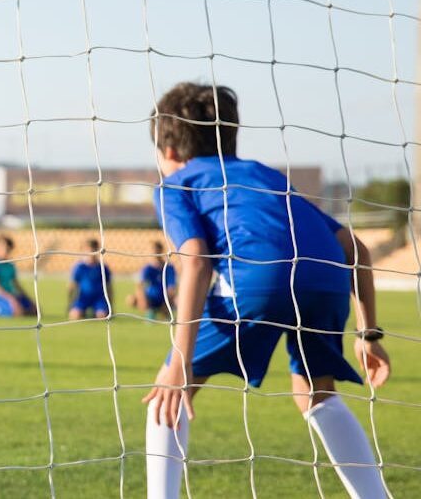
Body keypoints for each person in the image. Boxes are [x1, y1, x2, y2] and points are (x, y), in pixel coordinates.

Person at [142, 82, 391, 498]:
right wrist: (369, 335)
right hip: (326, 280)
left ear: (167, 152)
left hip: (257, 279)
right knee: (317, 394)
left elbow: (197, 260)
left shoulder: (176, 183)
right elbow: (356, 249)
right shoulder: (265, 176)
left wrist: (178, 363)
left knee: (166, 397)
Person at [0, 234, 36, 317]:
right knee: (18, 312)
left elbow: (16, 284)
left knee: (35, 311)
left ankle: (0, 309)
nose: (6, 251)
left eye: (8, 248)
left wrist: (28, 298)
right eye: (4, 248)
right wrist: (10, 299)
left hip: (12, 295)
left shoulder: (10, 264)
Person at [127, 241, 177, 320]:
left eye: (156, 250)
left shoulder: (169, 267)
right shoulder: (147, 268)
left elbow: (172, 288)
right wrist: (142, 299)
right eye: (152, 250)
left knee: (179, 300)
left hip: (165, 298)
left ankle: (166, 311)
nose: (154, 252)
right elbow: (140, 285)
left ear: (161, 250)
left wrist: (167, 303)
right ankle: (149, 311)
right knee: (131, 299)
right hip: (151, 298)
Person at [67, 238, 113, 320]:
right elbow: (72, 286)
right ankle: (83, 312)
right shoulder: (80, 267)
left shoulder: (103, 267)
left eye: (93, 251)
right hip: (83, 298)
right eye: (88, 251)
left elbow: (109, 286)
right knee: (74, 316)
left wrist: (111, 305)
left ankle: (95, 312)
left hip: (99, 299)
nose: (91, 254)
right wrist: (70, 303)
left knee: (102, 316)